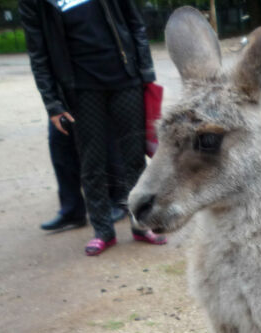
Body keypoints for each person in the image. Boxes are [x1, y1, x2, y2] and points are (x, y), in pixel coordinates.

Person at [20, 0, 167, 256]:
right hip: (80, 89)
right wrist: (52, 103)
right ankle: (103, 231)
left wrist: (145, 72)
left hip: (125, 79)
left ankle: (142, 224)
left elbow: (135, 24)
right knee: (92, 161)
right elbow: (38, 52)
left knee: (134, 158)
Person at [40, 127, 128, 232]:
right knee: (59, 142)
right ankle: (72, 210)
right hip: (64, 110)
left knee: (103, 139)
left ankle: (118, 200)